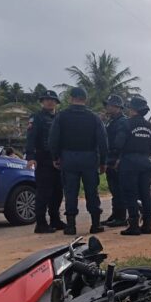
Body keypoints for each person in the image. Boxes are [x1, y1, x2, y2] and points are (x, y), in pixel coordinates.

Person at [48, 87, 108, 235]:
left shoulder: (61, 117)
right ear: (85, 99)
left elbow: (53, 139)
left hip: (68, 158)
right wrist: (103, 162)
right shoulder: (94, 118)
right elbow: (103, 141)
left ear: (71, 98)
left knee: (70, 192)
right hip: (89, 158)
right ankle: (95, 224)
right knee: (92, 192)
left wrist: (55, 157)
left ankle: (71, 226)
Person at [115, 95, 151, 235]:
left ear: (132, 109)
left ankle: (133, 226)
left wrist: (114, 159)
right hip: (146, 164)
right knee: (146, 194)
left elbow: (118, 144)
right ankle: (147, 225)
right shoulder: (147, 125)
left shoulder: (126, 124)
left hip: (129, 163)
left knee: (130, 195)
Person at [25, 90, 65, 233]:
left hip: (58, 159)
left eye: (52, 100)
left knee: (58, 192)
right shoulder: (37, 118)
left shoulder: (60, 117)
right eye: (47, 99)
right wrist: (30, 157)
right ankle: (41, 223)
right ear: (42, 102)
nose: (49, 102)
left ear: (56, 103)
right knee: (43, 192)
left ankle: (55, 219)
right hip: (43, 159)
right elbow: (31, 138)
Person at [101, 94, 129, 227]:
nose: (108, 107)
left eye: (110, 105)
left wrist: (118, 158)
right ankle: (115, 214)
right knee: (114, 189)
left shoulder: (123, 121)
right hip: (110, 158)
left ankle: (121, 217)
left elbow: (121, 143)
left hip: (118, 159)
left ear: (118, 107)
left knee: (119, 190)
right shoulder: (110, 121)